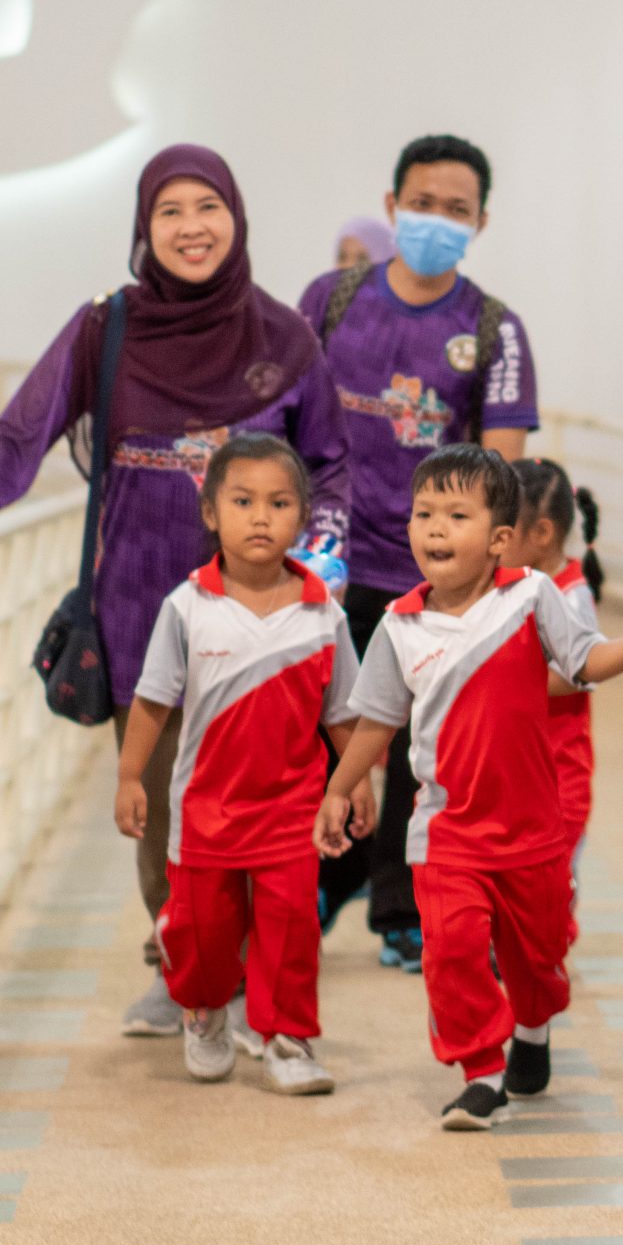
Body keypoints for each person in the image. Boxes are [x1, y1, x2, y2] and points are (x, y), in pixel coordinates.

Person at [0, 145, 349, 1038]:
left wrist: (324, 555)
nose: (191, 227)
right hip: (141, 613)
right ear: (145, 226)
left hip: (263, 616)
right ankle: (184, 969)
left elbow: (329, 463)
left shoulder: (284, 338)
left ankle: (261, 972)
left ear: (236, 218)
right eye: (169, 210)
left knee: (266, 803)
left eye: (207, 207)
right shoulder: (108, 329)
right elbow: (23, 429)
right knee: (167, 810)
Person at [315, 446, 623, 1131]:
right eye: (423, 513)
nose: (435, 527)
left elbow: (584, 662)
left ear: (499, 538)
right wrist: (340, 789)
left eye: (457, 515)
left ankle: (534, 1024)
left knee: (539, 956)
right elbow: (376, 722)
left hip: (534, 832)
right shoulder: (401, 625)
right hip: (447, 832)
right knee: (453, 951)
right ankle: (481, 1071)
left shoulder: (531, 596)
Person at [303, 135, 540, 974]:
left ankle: (404, 912)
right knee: (320, 740)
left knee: (422, 749)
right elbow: (288, 417)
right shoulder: (330, 300)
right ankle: (310, 887)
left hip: (434, 576)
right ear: (393, 205)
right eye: (423, 204)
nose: (437, 220)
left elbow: (503, 468)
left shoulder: (494, 329)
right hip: (330, 568)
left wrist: (482, 574)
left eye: (456, 209)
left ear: (480, 221)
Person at [114, 434, 368, 1095]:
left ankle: (289, 1039)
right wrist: (129, 777)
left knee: (291, 931)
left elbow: (344, 711)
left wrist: (357, 780)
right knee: (202, 936)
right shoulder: (187, 606)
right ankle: (204, 1013)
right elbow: (152, 701)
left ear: (302, 517)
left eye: (279, 503)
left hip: (291, 811)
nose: (261, 517)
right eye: (243, 501)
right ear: (210, 512)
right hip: (206, 813)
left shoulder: (322, 611)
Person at [502, 456, 605, 875]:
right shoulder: (506, 583)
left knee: (545, 893)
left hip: (555, 785)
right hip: (509, 777)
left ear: (542, 533)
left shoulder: (572, 596)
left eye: (504, 529)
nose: (493, 538)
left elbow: (574, 674)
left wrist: (492, 673)